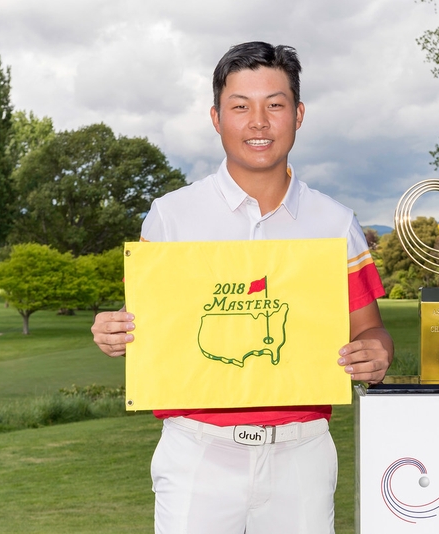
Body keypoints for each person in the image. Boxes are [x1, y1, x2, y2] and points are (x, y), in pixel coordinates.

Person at [91, 41, 393, 534]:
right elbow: (145, 328)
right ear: (216, 118)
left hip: (302, 453)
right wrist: (114, 333)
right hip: (196, 451)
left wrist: (376, 354)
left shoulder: (335, 222)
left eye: (274, 105)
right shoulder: (171, 216)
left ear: (298, 114)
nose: (258, 122)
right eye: (240, 107)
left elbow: (370, 330)